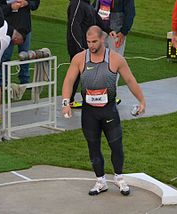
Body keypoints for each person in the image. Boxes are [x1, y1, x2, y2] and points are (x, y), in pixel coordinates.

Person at [62, 26, 145, 196]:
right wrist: (65, 102)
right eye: (88, 42)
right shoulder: (80, 59)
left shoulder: (116, 59)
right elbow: (69, 80)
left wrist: (141, 100)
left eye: (94, 42)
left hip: (109, 111)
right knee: (93, 147)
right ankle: (100, 181)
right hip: (89, 113)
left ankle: (120, 178)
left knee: (116, 145)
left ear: (103, 40)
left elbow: (130, 80)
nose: (91, 45)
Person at [67, 0, 116, 109]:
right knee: (77, 74)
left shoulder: (86, 4)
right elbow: (73, 27)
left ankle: (99, 96)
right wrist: (80, 47)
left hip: (87, 46)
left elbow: (96, 19)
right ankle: (70, 100)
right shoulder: (77, 3)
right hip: (80, 47)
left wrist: (108, 30)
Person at [93, 0, 136, 104]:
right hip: (104, 31)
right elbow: (95, 7)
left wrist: (123, 32)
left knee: (112, 63)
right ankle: (99, 93)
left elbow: (130, 13)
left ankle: (108, 94)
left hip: (115, 33)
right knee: (103, 62)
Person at [0, 0, 40, 84]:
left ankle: (25, 80)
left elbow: (35, 4)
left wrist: (27, 3)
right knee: (5, 57)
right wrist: (10, 7)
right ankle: (3, 82)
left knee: (25, 56)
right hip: (8, 28)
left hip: (24, 27)